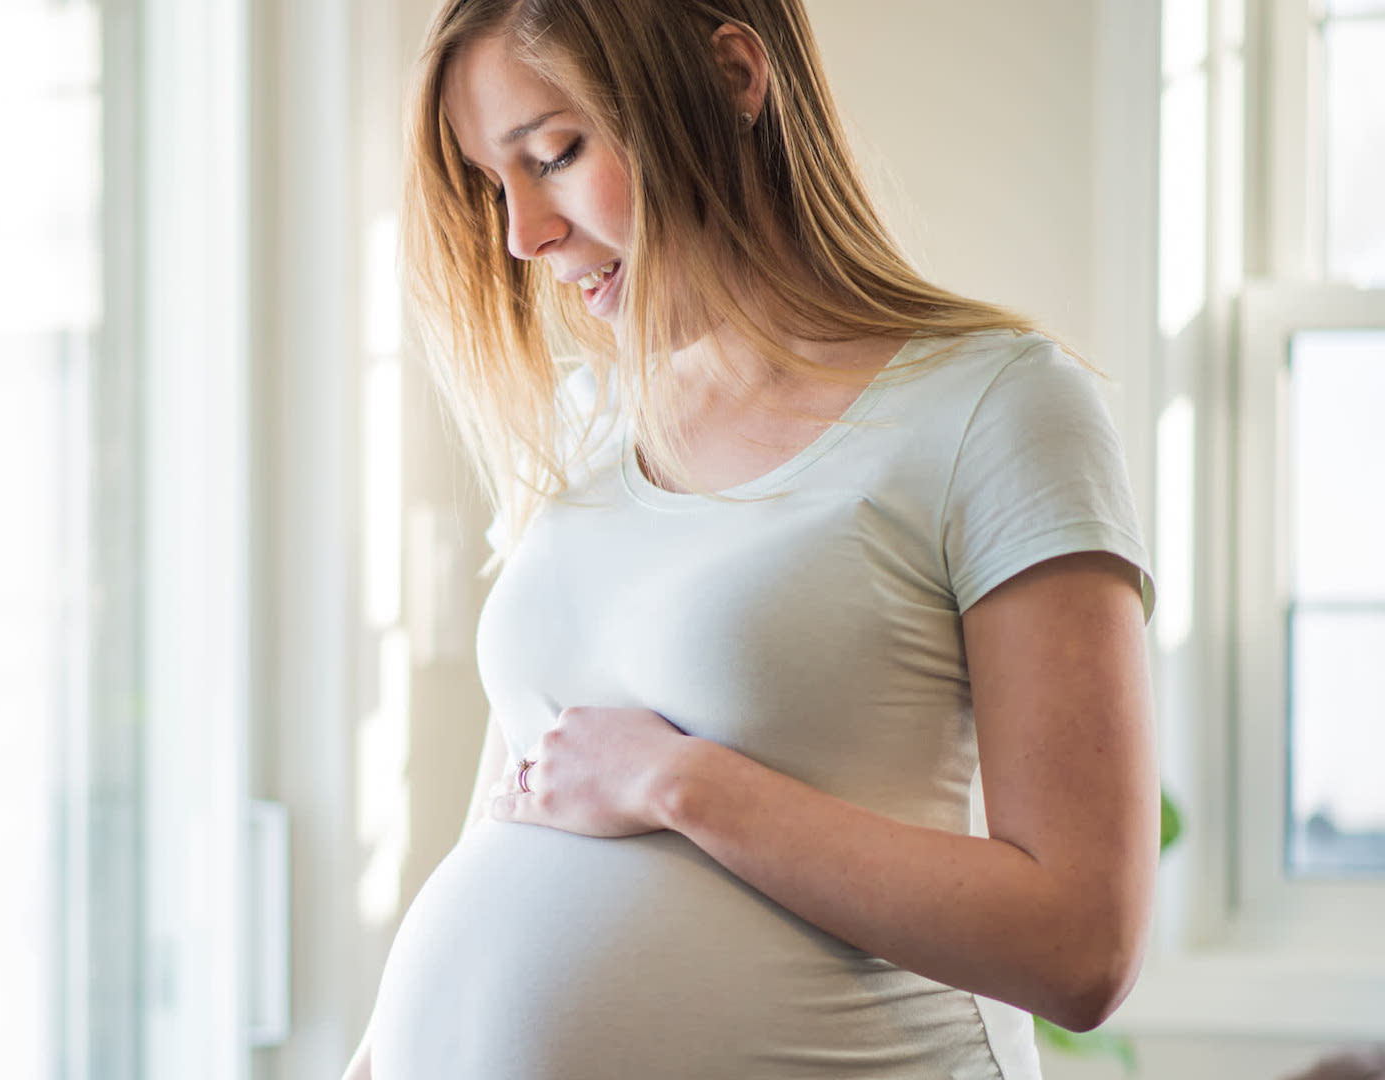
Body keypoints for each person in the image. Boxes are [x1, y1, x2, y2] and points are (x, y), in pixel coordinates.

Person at [342, 0, 1158, 1076]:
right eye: (497, 183)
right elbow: (513, 816)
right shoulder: (591, 425)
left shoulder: (996, 409)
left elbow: (1081, 947)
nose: (522, 235)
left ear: (733, 76)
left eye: (556, 153)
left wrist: (686, 786)